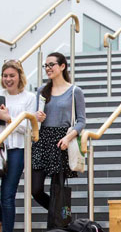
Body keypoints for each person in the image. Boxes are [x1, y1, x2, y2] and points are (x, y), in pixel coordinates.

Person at [0, 60, 36, 232]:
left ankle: (7, 229)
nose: (8, 79)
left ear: (20, 76)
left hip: (17, 151)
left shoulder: (29, 98)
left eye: (12, 75)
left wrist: (8, 118)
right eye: (5, 76)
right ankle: (4, 221)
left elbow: (30, 129)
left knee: (7, 196)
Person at [31, 52, 86, 214]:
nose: (48, 68)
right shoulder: (42, 90)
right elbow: (35, 117)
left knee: (57, 189)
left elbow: (81, 120)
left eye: (51, 65)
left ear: (62, 66)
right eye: (45, 66)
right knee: (36, 190)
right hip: (42, 140)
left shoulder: (75, 91)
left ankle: (59, 223)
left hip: (62, 141)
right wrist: (37, 117)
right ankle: (63, 217)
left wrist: (68, 137)